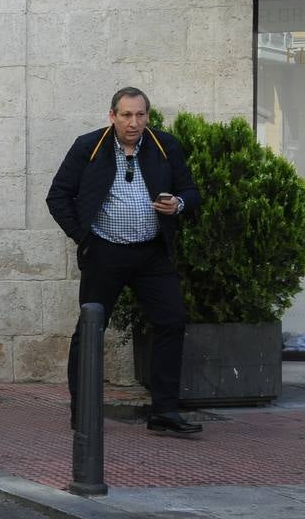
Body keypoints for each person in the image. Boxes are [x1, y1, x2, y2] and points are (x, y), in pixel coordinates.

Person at [46, 87, 203, 438]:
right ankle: (82, 411)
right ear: (112, 115)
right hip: (105, 251)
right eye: (127, 115)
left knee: (171, 321)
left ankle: (164, 411)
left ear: (148, 116)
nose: (134, 123)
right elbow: (58, 195)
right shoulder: (89, 147)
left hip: (151, 253)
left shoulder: (165, 146)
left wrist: (177, 204)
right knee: (90, 329)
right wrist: (83, 237)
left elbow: (191, 192)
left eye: (141, 115)